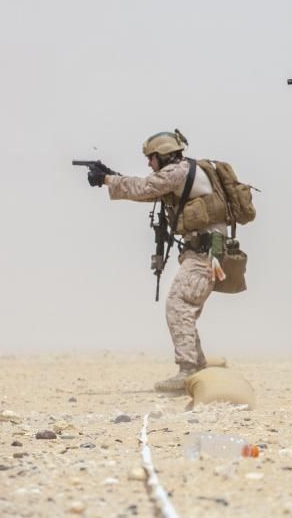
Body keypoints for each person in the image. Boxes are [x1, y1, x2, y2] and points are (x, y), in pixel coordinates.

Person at [88, 130, 227, 392]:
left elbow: (145, 187)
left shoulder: (178, 171)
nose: (148, 163)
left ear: (163, 155)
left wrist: (106, 179)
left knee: (179, 305)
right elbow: (149, 190)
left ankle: (188, 371)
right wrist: (113, 177)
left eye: (151, 158)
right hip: (204, 251)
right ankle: (198, 368)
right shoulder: (181, 173)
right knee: (183, 307)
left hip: (207, 253)